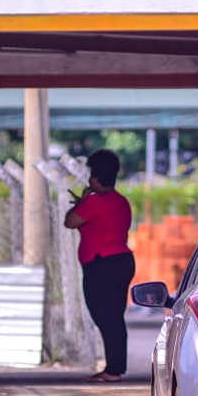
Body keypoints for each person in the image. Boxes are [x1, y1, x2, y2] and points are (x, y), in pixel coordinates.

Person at [64, 149, 136, 383]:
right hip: (121, 261)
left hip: (101, 263)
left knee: (103, 315)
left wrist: (82, 201)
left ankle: (113, 370)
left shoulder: (93, 203)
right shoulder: (121, 201)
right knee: (115, 316)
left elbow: (70, 221)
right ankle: (115, 367)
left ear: (95, 179)